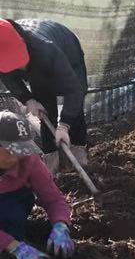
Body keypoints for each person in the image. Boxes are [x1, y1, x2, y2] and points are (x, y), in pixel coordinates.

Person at [0, 18, 90, 174]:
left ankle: (78, 153)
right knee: (45, 109)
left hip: (66, 49)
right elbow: (8, 77)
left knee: (76, 107)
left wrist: (64, 125)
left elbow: (74, 90)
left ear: (22, 43)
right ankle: (52, 160)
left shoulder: (46, 48)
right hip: (37, 64)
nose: (19, 67)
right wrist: (28, 99)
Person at [0, 110, 76, 259]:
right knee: (9, 213)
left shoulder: (28, 160)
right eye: (12, 150)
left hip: (11, 210)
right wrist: (13, 246)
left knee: (13, 212)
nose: (19, 155)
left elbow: (53, 199)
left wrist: (60, 225)